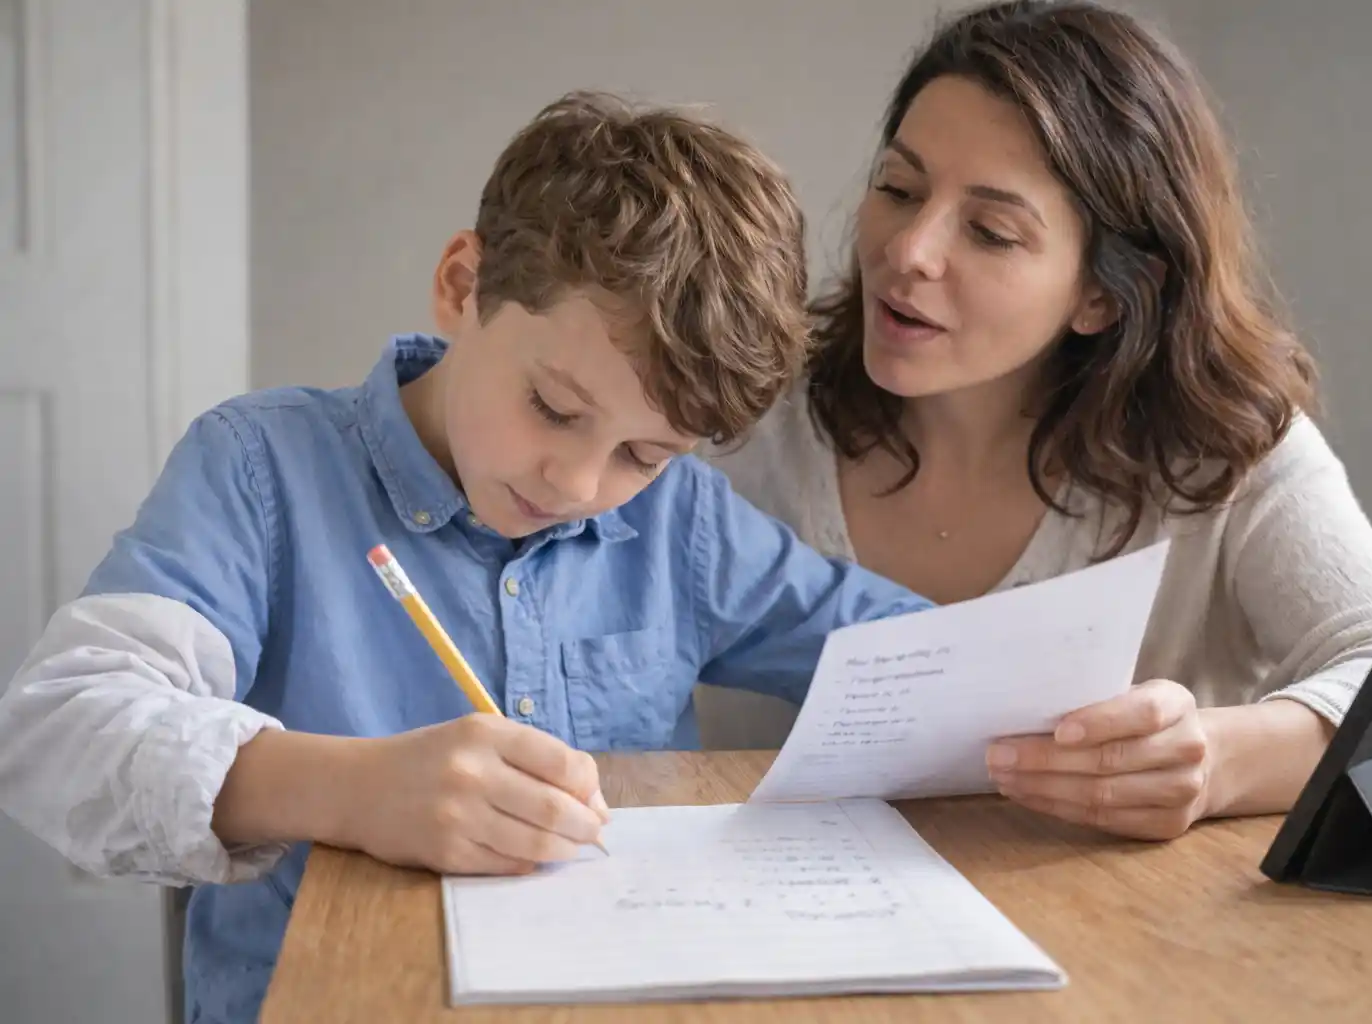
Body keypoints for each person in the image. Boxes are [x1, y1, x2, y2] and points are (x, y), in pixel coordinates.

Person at [0, 92, 932, 1024]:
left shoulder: (680, 519)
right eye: (554, 409)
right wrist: (352, 792)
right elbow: (59, 731)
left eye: (643, 454)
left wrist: (1027, 714)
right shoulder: (262, 470)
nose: (577, 481)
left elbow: (914, 653)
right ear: (462, 285)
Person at [707, 0, 1372, 841]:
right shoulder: (741, 419)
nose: (909, 251)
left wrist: (1215, 763)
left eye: (990, 231)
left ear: (1105, 294)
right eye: (898, 188)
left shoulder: (1227, 452)